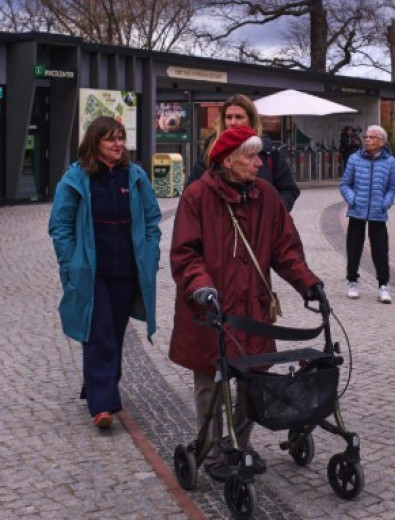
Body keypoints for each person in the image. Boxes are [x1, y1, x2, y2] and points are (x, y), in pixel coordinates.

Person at [169, 125, 323, 482]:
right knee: (210, 381)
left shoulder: (266, 195)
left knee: (253, 380)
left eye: (259, 156)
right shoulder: (197, 197)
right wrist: (202, 287)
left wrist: (308, 283)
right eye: (252, 157)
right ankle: (209, 450)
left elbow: (285, 249)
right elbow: (186, 255)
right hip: (209, 310)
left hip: (252, 307)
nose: (259, 163)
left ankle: (239, 443)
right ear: (229, 160)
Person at [48, 116, 161, 430]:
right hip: (92, 270)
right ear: (95, 142)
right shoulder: (77, 178)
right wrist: (70, 263)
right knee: (99, 333)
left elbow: (152, 221)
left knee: (115, 331)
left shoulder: (134, 176)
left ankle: (99, 385)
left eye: (121, 138)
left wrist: (150, 256)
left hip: (126, 268)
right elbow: (60, 226)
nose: (118, 144)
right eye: (111, 138)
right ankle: (103, 404)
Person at [185, 94, 300, 212]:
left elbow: (289, 190)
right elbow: (191, 192)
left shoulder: (268, 151)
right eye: (228, 117)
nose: (233, 122)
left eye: (239, 117)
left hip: (260, 227)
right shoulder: (210, 152)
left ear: (251, 120)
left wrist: (272, 214)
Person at [340, 124, 395, 303]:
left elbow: (392, 187)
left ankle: (383, 286)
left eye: (372, 137)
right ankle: (352, 281)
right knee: (353, 247)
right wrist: (353, 200)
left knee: (380, 249)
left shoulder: (389, 162)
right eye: (366, 136)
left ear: (381, 141)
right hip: (357, 211)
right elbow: (344, 184)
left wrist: (385, 203)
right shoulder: (354, 159)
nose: (367, 139)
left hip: (378, 212)